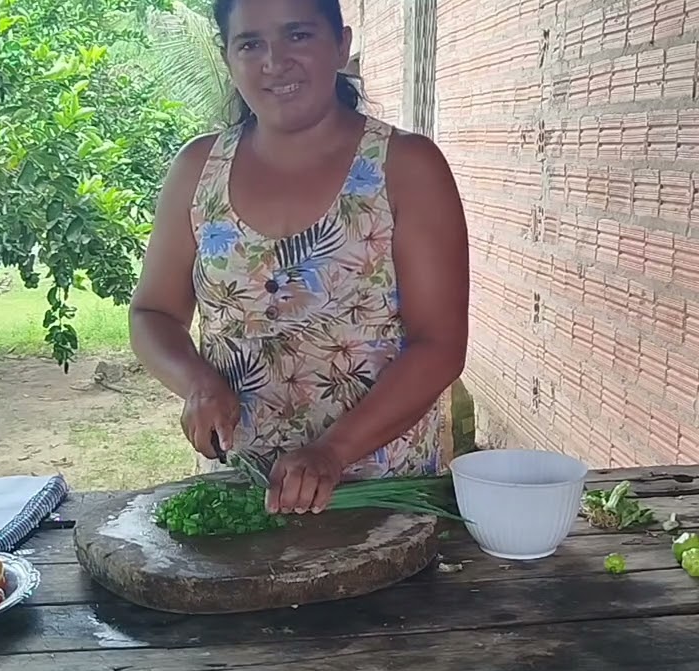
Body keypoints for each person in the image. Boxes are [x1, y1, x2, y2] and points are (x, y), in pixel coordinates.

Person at [129, 0, 470, 516]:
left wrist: (332, 452)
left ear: (341, 46)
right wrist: (197, 383)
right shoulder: (199, 171)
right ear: (228, 58)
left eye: (299, 36)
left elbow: (439, 345)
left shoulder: (405, 166)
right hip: (242, 492)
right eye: (250, 44)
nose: (274, 61)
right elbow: (152, 313)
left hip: (377, 491)